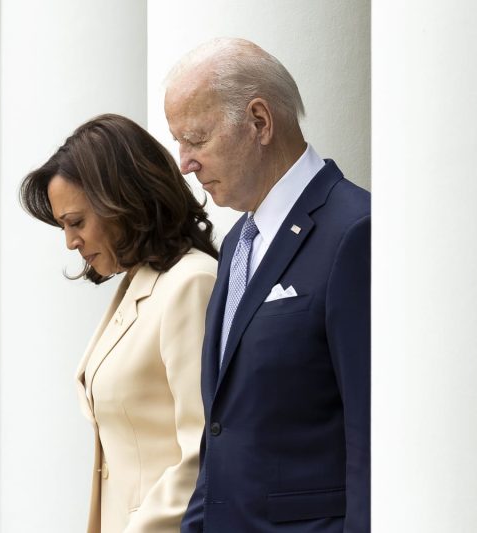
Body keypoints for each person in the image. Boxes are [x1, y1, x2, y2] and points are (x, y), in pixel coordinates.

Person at [164, 38, 371, 532]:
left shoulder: (354, 231)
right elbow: (221, 433)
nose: (184, 163)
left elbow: (370, 433)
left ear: (259, 121)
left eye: (196, 139)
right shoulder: (238, 241)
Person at [20, 114, 218, 533]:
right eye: (63, 226)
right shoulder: (140, 283)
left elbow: (203, 450)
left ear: (123, 201)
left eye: (76, 222)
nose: (70, 242)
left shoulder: (190, 283)